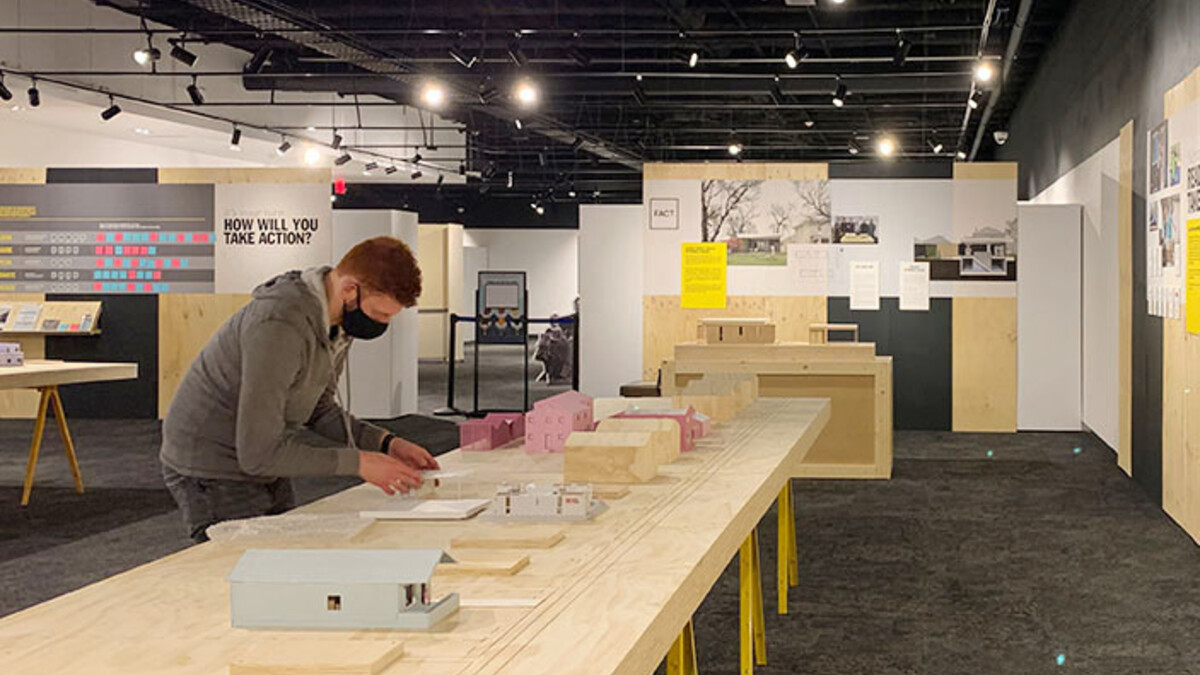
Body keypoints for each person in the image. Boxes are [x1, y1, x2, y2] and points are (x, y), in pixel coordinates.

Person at [160, 236, 438, 542]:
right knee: (246, 572)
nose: (381, 324)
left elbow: (319, 409)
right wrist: (359, 463)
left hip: (264, 461)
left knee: (284, 558)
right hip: (212, 467)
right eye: (380, 315)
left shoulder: (337, 322)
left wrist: (387, 444)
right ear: (349, 290)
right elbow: (257, 453)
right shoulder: (279, 324)